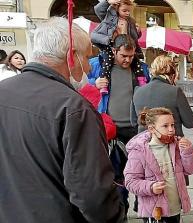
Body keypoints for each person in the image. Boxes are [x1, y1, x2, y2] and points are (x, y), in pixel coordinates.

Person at [0, 17, 124, 223]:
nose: (89, 68)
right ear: (72, 56)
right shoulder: (74, 108)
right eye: (86, 58)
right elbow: (94, 197)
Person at [93, 34, 147, 219]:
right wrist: (94, 83)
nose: (127, 60)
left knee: (140, 171)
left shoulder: (140, 69)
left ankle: (142, 208)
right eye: (123, 56)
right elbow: (78, 84)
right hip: (111, 130)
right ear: (114, 51)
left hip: (136, 128)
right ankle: (120, 212)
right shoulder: (100, 67)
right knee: (117, 175)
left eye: (131, 56)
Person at [124, 107, 193, 223]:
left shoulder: (177, 145)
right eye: (165, 126)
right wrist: (150, 187)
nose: (171, 130)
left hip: (175, 208)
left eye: (172, 125)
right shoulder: (139, 151)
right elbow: (130, 181)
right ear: (152, 129)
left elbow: (191, 169)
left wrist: (188, 152)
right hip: (154, 212)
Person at [131, 55, 193, 137]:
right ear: (172, 75)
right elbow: (190, 123)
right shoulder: (175, 91)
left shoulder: (137, 91)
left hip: (145, 143)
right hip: (170, 143)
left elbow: (133, 122)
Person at [91, 0, 144, 92]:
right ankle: (104, 81)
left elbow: (134, 37)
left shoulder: (130, 21)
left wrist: (138, 32)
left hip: (126, 44)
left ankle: (141, 80)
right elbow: (99, 9)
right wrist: (108, 2)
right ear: (117, 8)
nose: (127, 13)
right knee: (107, 61)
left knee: (137, 61)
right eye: (124, 11)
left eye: (129, 11)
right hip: (110, 44)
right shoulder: (109, 17)